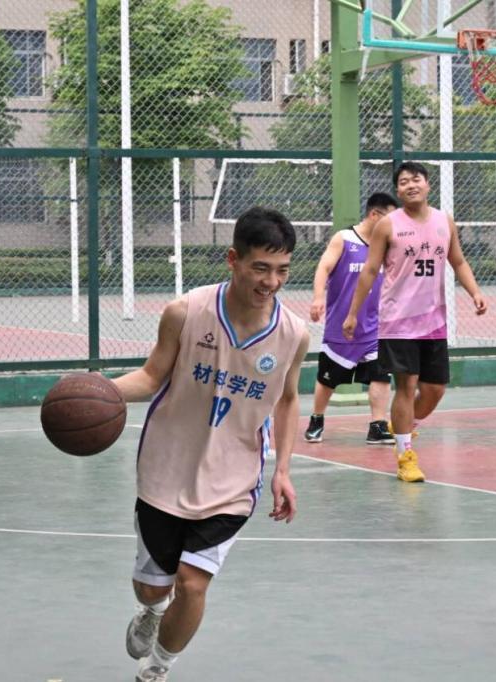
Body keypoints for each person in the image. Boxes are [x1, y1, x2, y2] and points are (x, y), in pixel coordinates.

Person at [113, 207, 310, 682]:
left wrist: (283, 470)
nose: (271, 282)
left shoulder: (293, 335)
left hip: (233, 479)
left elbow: (286, 401)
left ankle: (157, 669)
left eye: (282, 269)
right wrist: (96, 391)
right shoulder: (186, 312)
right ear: (233, 259)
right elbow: (151, 376)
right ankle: (152, 611)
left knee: (193, 583)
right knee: (151, 587)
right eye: (260, 268)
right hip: (166, 468)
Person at [343, 161, 487, 482]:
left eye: (416, 179)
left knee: (435, 389)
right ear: (398, 190)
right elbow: (370, 271)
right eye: (404, 181)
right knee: (406, 386)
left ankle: (402, 426)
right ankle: (405, 455)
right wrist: (353, 313)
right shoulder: (388, 225)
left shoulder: (443, 221)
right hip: (398, 321)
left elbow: (458, 261)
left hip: (434, 322)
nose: (411, 185)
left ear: (427, 184)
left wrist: (475, 292)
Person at [306, 192, 399, 445]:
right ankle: (317, 419)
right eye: (390, 218)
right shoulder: (344, 239)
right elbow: (324, 267)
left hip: (375, 327)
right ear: (374, 215)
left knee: (381, 375)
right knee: (328, 379)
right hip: (342, 326)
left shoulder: (387, 246)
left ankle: (377, 425)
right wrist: (318, 297)